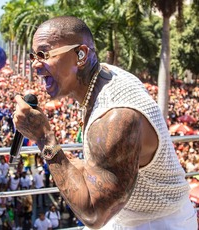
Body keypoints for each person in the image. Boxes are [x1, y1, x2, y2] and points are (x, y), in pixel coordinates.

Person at [12, 16, 197, 229]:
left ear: (80, 55)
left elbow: (93, 215)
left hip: (157, 224)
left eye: (44, 54)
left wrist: (44, 137)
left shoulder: (116, 116)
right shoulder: (104, 75)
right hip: (128, 218)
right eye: (33, 55)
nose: (35, 64)